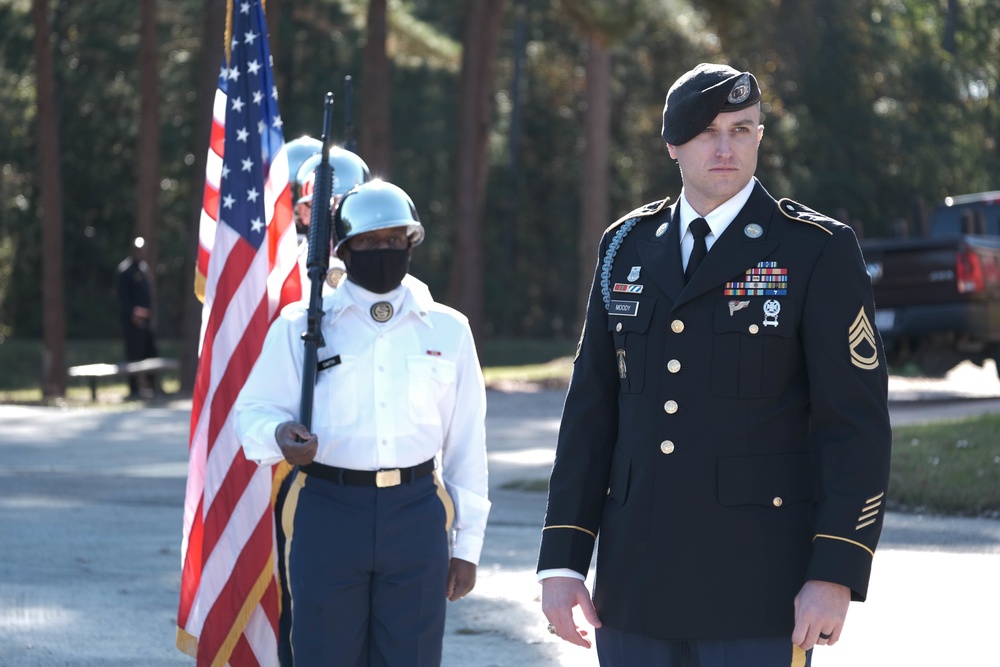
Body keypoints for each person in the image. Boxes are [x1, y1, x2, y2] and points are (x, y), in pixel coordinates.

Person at [537, 63, 892, 667]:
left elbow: (854, 426)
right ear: (672, 144)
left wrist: (835, 570)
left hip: (759, 591)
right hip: (636, 587)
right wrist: (565, 560)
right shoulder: (625, 245)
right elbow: (591, 413)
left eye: (743, 128)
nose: (726, 147)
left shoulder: (815, 250)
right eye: (707, 132)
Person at [235, 179, 489, 667]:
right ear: (345, 249)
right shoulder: (303, 325)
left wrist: (468, 546)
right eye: (369, 242)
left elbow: (467, 445)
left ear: (411, 243)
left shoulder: (448, 330)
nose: (384, 250)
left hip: (416, 512)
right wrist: (279, 436)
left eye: (395, 240)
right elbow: (255, 410)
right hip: (329, 510)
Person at [115, 236, 158, 398]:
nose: (141, 253)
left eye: (142, 250)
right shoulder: (125, 270)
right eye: (138, 250)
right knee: (133, 354)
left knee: (151, 353)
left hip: (146, 321)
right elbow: (123, 297)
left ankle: (152, 386)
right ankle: (133, 389)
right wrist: (134, 313)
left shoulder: (144, 268)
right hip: (132, 323)